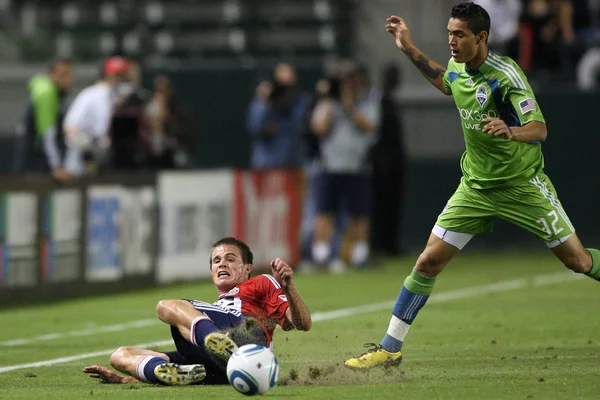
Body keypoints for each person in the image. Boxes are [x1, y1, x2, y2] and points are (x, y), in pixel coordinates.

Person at [345, 2, 600, 370]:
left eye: (459, 34)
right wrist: (408, 47)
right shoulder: (458, 68)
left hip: (522, 185)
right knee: (428, 261)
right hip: (476, 188)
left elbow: (540, 129)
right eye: (449, 33)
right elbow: (445, 82)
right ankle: (390, 347)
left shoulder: (506, 74)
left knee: (578, 261)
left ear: (481, 37)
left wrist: (511, 130)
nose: (451, 41)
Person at [83, 237, 311, 385]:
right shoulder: (214, 308)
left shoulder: (261, 283)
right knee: (121, 355)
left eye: (230, 259)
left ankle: (216, 340)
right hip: (219, 369)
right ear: (211, 270)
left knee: (166, 306)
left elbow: (302, 323)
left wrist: (288, 287)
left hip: (245, 339)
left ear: (247, 269)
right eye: (216, 261)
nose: (222, 264)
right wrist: (126, 380)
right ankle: (166, 371)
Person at [310, 63, 380, 272]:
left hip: (357, 167)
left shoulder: (368, 101)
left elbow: (370, 126)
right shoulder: (328, 103)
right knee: (325, 211)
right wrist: (331, 103)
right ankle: (321, 256)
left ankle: (359, 256)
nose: (349, 85)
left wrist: (350, 106)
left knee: (359, 213)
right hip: (330, 166)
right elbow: (319, 128)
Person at [62, 56, 130, 177]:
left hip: (105, 159)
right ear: (109, 75)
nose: (121, 80)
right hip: (81, 160)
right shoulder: (91, 94)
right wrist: (86, 143)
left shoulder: (117, 97)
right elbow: (69, 126)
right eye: (119, 76)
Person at [13, 58, 74, 181]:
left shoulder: (52, 92)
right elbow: (47, 135)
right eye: (63, 75)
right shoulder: (46, 94)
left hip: (34, 158)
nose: (67, 80)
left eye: (69, 75)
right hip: (34, 162)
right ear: (52, 75)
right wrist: (56, 168)